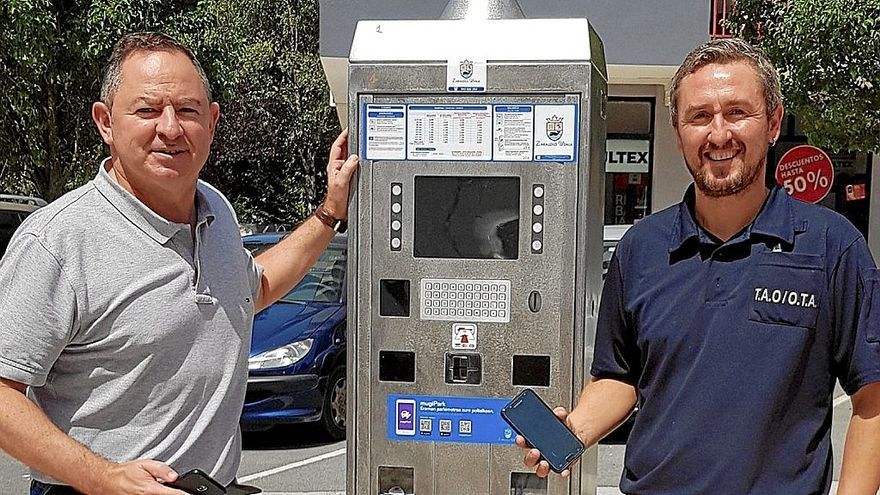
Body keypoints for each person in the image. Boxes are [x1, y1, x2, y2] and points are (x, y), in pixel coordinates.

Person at [0, 32, 358, 495]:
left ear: (211, 122)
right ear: (106, 122)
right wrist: (104, 478)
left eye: (187, 110)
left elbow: (256, 288)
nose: (170, 128)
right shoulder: (58, 242)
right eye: (147, 110)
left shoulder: (216, 210)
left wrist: (329, 213)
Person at [518, 38, 880, 494]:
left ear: (772, 122)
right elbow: (619, 376)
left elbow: (872, 398)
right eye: (699, 116)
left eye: (737, 112)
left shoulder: (832, 246)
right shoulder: (641, 248)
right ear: (677, 132)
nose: (718, 133)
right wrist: (575, 431)